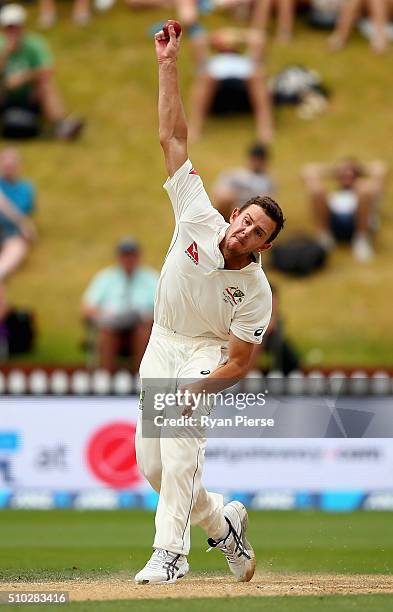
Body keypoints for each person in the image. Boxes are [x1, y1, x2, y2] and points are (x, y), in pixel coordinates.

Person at [134, 24, 284, 585]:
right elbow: (173, 139)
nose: (243, 231)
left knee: (179, 437)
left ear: (264, 246)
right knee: (154, 466)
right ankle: (224, 526)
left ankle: (170, 554)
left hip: (205, 354)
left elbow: (240, 363)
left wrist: (196, 389)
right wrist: (167, 65)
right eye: (246, 219)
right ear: (236, 212)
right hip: (162, 341)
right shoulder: (197, 213)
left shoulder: (256, 293)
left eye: (256, 233)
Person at [0, 4, 84, 140]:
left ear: (23, 27)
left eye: (16, 27)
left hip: (30, 94)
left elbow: (47, 70)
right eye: (9, 28)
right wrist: (6, 54)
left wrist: (24, 78)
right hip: (5, 94)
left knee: (46, 85)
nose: (13, 31)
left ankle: (61, 125)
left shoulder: (35, 44)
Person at [81, 238, 158, 373]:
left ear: (138, 256)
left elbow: (164, 308)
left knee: (143, 330)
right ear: (118, 257)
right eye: (125, 255)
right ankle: (106, 378)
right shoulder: (105, 278)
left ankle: (141, 378)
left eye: (131, 255)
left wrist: (148, 316)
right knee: (107, 331)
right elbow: (87, 308)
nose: (128, 259)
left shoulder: (151, 278)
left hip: (142, 328)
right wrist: (104, 316)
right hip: (113, 328)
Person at [188, 25, 273, 144]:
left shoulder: (247, 60)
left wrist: (238, 35)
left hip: (245, 96)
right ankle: (195, 128)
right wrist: (217, 36)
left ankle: (264, 129)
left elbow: (260, 38)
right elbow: (197, 40)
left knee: (258, 75)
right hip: (216, 98)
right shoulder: (211, 62)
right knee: (205, 77)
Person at [302, 158, 387, 262]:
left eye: (351, 172)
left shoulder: (367, 192)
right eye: (344, 172)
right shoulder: (335, 194)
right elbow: (308, 170)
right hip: (333, 224)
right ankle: (324, 239)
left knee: (364, 189)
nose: (347, 174)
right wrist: (337, 170)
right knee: (317, 191)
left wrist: (357, 168)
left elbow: (379, 169)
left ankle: (361, 240)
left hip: (359, 223)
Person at [213, 142, 276, 221]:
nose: (257, 162)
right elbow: (220, 194)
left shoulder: (268, 181)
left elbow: (270, 205)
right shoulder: (234, 174)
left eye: (260, 159)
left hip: (252, 214)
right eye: (255, 158)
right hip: (230, 211)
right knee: (226, 198)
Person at [0, 148, 37, 283]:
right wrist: (23, 223)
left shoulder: (26, 188)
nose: (8, 168)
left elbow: (26, 210)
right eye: (5, 164)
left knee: (17, 248)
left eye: (11, 165)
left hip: (11, 233)